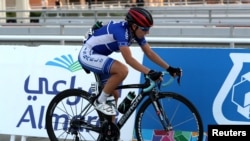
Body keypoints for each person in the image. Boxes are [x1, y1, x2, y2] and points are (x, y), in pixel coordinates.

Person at [78, 7, 182, 116]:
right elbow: (129, 59)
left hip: (99, 56)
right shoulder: (122, 32)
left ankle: (109, 131)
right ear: (134, 26)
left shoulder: (133, 31)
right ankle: (99, 101)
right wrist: (149, 72)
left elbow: (149, 53)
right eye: (145, 29)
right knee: (122, 70)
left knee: (114, 96)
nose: (148, 32)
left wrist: (169, 68)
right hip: (88, 54)